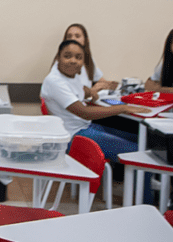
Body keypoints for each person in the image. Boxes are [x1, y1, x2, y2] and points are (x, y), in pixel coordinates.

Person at [41, 40, 154, 203]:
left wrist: (90, 92)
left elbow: (80, 91)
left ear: (83, 62)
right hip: (74, 137)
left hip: (85, 128)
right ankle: (146, 204)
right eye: (67, 56)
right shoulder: (54, 81)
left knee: (144, 142)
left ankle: (146, 191)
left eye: (78, 57)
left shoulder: (72, 76)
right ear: (58, 58)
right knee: (139, 152)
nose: (73, 61)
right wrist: (123, 108)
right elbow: (85, 113)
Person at [51, 24, 118, 101]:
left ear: (85, 40)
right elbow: (68, 94)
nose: (73, 39)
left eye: (77, 36)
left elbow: (101, 80)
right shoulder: (61, 63)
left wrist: (109, 85)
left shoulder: (89, 60)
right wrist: (92, 91)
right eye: (69, 36)